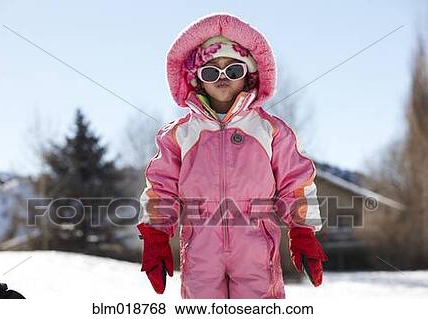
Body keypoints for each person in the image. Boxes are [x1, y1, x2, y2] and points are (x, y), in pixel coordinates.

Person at [136, 13, 328, 299]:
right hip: (200, 243)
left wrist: (303, 230)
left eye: (233, 70)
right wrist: (155, 235)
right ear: (197, 79)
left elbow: (295, 182)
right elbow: (161, 189)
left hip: (256, 243)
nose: (222, 78)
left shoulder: (270, 130)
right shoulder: (180, 134)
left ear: (249, 75)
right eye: (211, 72)